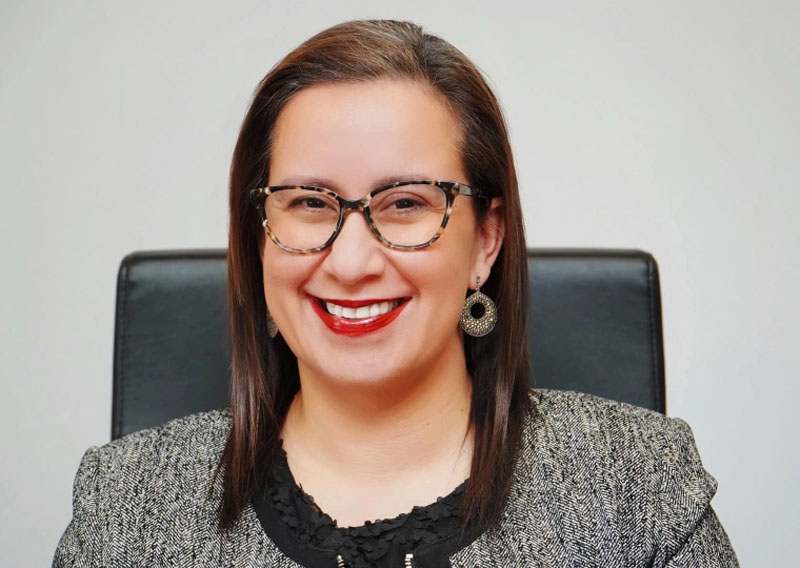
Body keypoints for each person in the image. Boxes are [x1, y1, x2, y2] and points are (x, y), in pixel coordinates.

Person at [53, 19, 738, 567]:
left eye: (407, 203)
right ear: (257, 234)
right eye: (309, 203)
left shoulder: (639, 489)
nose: (350, 262)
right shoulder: (122, 509)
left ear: (486, 242)